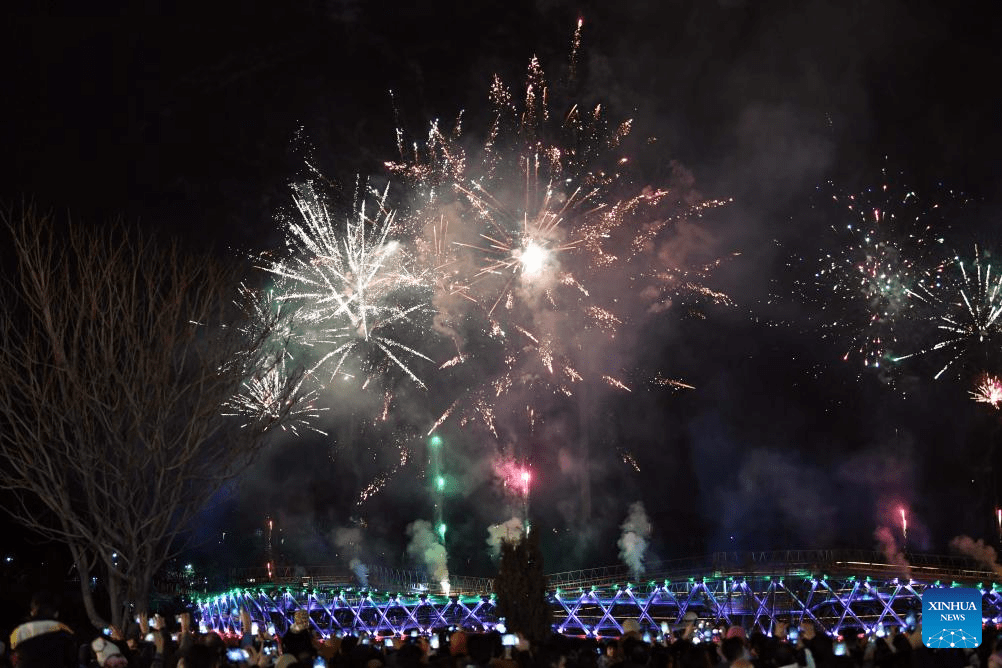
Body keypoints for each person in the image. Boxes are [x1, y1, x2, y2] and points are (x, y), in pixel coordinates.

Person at [7, 592, 76, 668]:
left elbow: (13, 657)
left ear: (35, 607)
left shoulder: (21, 630)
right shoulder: (64, 631)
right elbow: (71, 659)